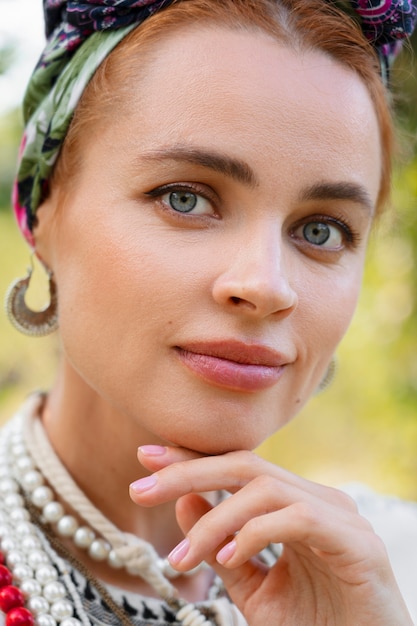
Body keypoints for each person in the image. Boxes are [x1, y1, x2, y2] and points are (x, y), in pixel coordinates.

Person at [1, 0, 417, 624]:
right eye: (185, 197)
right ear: (41, 210)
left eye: (323, 230)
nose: (268, 286)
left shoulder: (389, 574)